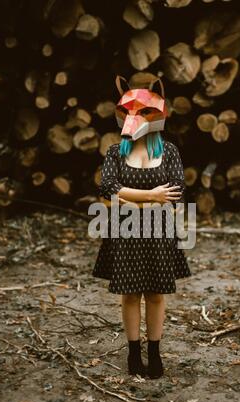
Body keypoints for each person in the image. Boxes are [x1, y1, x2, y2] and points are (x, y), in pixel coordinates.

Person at [92, 76, 192, 379]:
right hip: (126, 233)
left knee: (156, 294)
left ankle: (155, 352)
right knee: (130, 294)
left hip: (158, 232)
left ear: (159, 112)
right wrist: (151, 196)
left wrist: (129, 200)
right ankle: (133, 353)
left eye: (145, 112)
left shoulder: (169, 152)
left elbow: (176, 191)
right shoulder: (114, 152)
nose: (135, 119)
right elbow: (107, 188)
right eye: (128, 112)